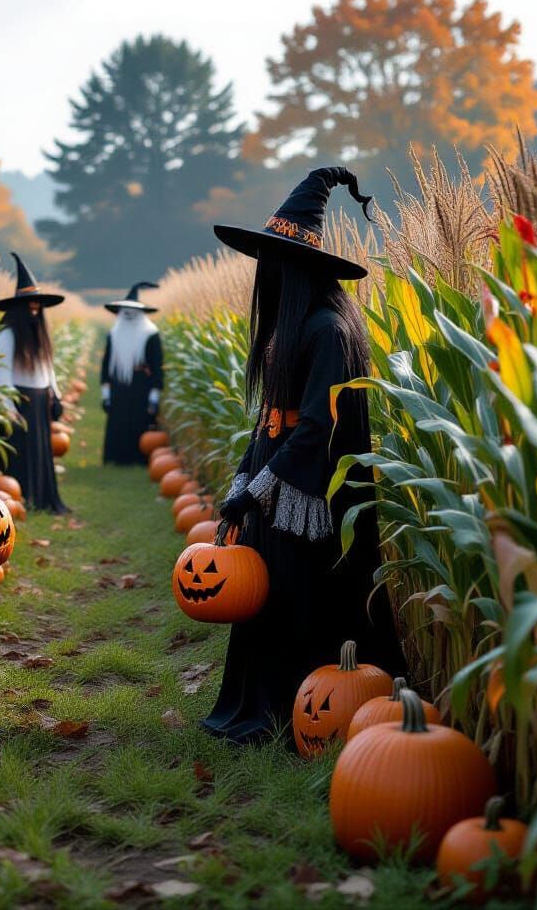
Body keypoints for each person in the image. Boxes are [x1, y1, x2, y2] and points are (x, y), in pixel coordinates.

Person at [202, 166, 405, 745]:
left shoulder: (327, 330)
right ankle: (262, 706)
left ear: (297, 268)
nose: (264, 272)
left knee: (298, 593)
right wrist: (244, 480)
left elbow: (317, 427)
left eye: (274, 261)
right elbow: (269, 416)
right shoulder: (287, 329)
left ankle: (302, 711)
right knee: (268, 593)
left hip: (309, 487)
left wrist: (260, 487)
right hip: (275, 473)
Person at [0, 253, 69, 513]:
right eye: (30, 307)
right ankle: (21, 498)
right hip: (19, 402)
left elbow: (47, 368)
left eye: (37, 307)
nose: (34, 311)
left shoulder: (40, 335)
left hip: (39, 401)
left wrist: (55, 394)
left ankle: (41, 497)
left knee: (40, 450)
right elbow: (2, 376)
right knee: (20, 452)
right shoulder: (7, 336)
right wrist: (8, 407)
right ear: (19, 309)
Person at [100, 282, 164, 464]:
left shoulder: (151, 334)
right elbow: (106, 365)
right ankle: (116, 457)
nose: (128, 315)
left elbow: (157, 367)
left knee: (139, 421)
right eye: (125, 311)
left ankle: (138, 458)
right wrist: (106, 394)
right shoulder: (114, 334)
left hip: (141, 386)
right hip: (118, 386)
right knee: (118, 421)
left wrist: (154, 397)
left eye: (133, 312)